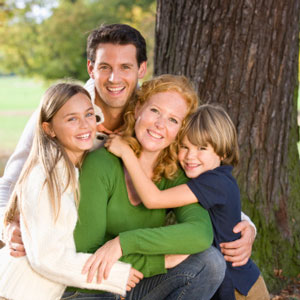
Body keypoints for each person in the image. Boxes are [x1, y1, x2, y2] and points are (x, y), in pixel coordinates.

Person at [1, 24, 254, 267]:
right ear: (91, 68)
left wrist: (243, 224)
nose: (114, 78)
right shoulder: (62, 113)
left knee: (207, 263)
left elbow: (201, 168)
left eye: (125, 67)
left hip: (127, 241)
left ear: (141, 69)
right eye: (104, 67)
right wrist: (7, 224)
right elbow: (11, 181)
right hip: (66, 239)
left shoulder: (153, 115)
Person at [62, 74, 225, 300]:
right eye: (155, 111)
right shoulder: (102, 164)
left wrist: (123, 243)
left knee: (210, 263)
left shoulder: (174, 174)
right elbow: (84, 253)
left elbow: (200, 234)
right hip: (89, 287)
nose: (160, 125)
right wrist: (160, 260)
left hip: (133, 284)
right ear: (138, 108)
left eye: (173, 120)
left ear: (181, 131)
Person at [106, 103, 270, 300]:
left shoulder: (215, 181)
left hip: (241, 288)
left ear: (223, 153)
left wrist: (127, 154)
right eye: (184, 147)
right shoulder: (204, 179)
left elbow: (153, 199)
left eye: (202, 148)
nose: (190, 156)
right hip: (223, 278)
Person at [0, 83, 141, 300]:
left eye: (89, 115)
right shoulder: (47, 177)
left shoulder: (66, 167)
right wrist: (113, 274)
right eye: (71, 119)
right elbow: (48, 257)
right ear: (49, 129)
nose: (85, 125)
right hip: (15, 292)